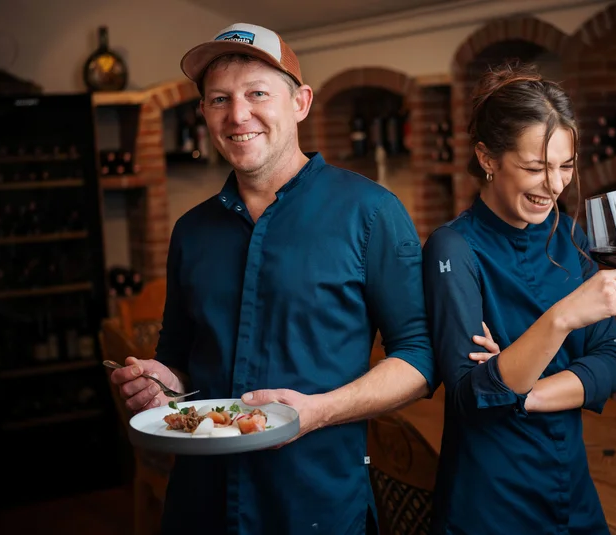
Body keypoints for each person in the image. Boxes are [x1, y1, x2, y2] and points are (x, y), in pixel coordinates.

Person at [108, 23, 435, 535]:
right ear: (203, 114)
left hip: (316, 504)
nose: (238, 115)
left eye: (257, 93)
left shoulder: (371, 212)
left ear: (300, 102)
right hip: (201, 505)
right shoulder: (191, 231)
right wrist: (163, 384)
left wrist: (319, 411)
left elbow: (419, 356)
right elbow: (180, 360)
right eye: (219, 99)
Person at [422, 61, 616, 534]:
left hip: (572, 488)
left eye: (565, 166)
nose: (555, 185)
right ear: (487, 158)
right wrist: (562, 319)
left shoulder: (572, 238)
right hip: (489, 500)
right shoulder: (453, 249)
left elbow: (611, 363)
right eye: (535, 168)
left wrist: (522, 390)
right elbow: (468, 395)